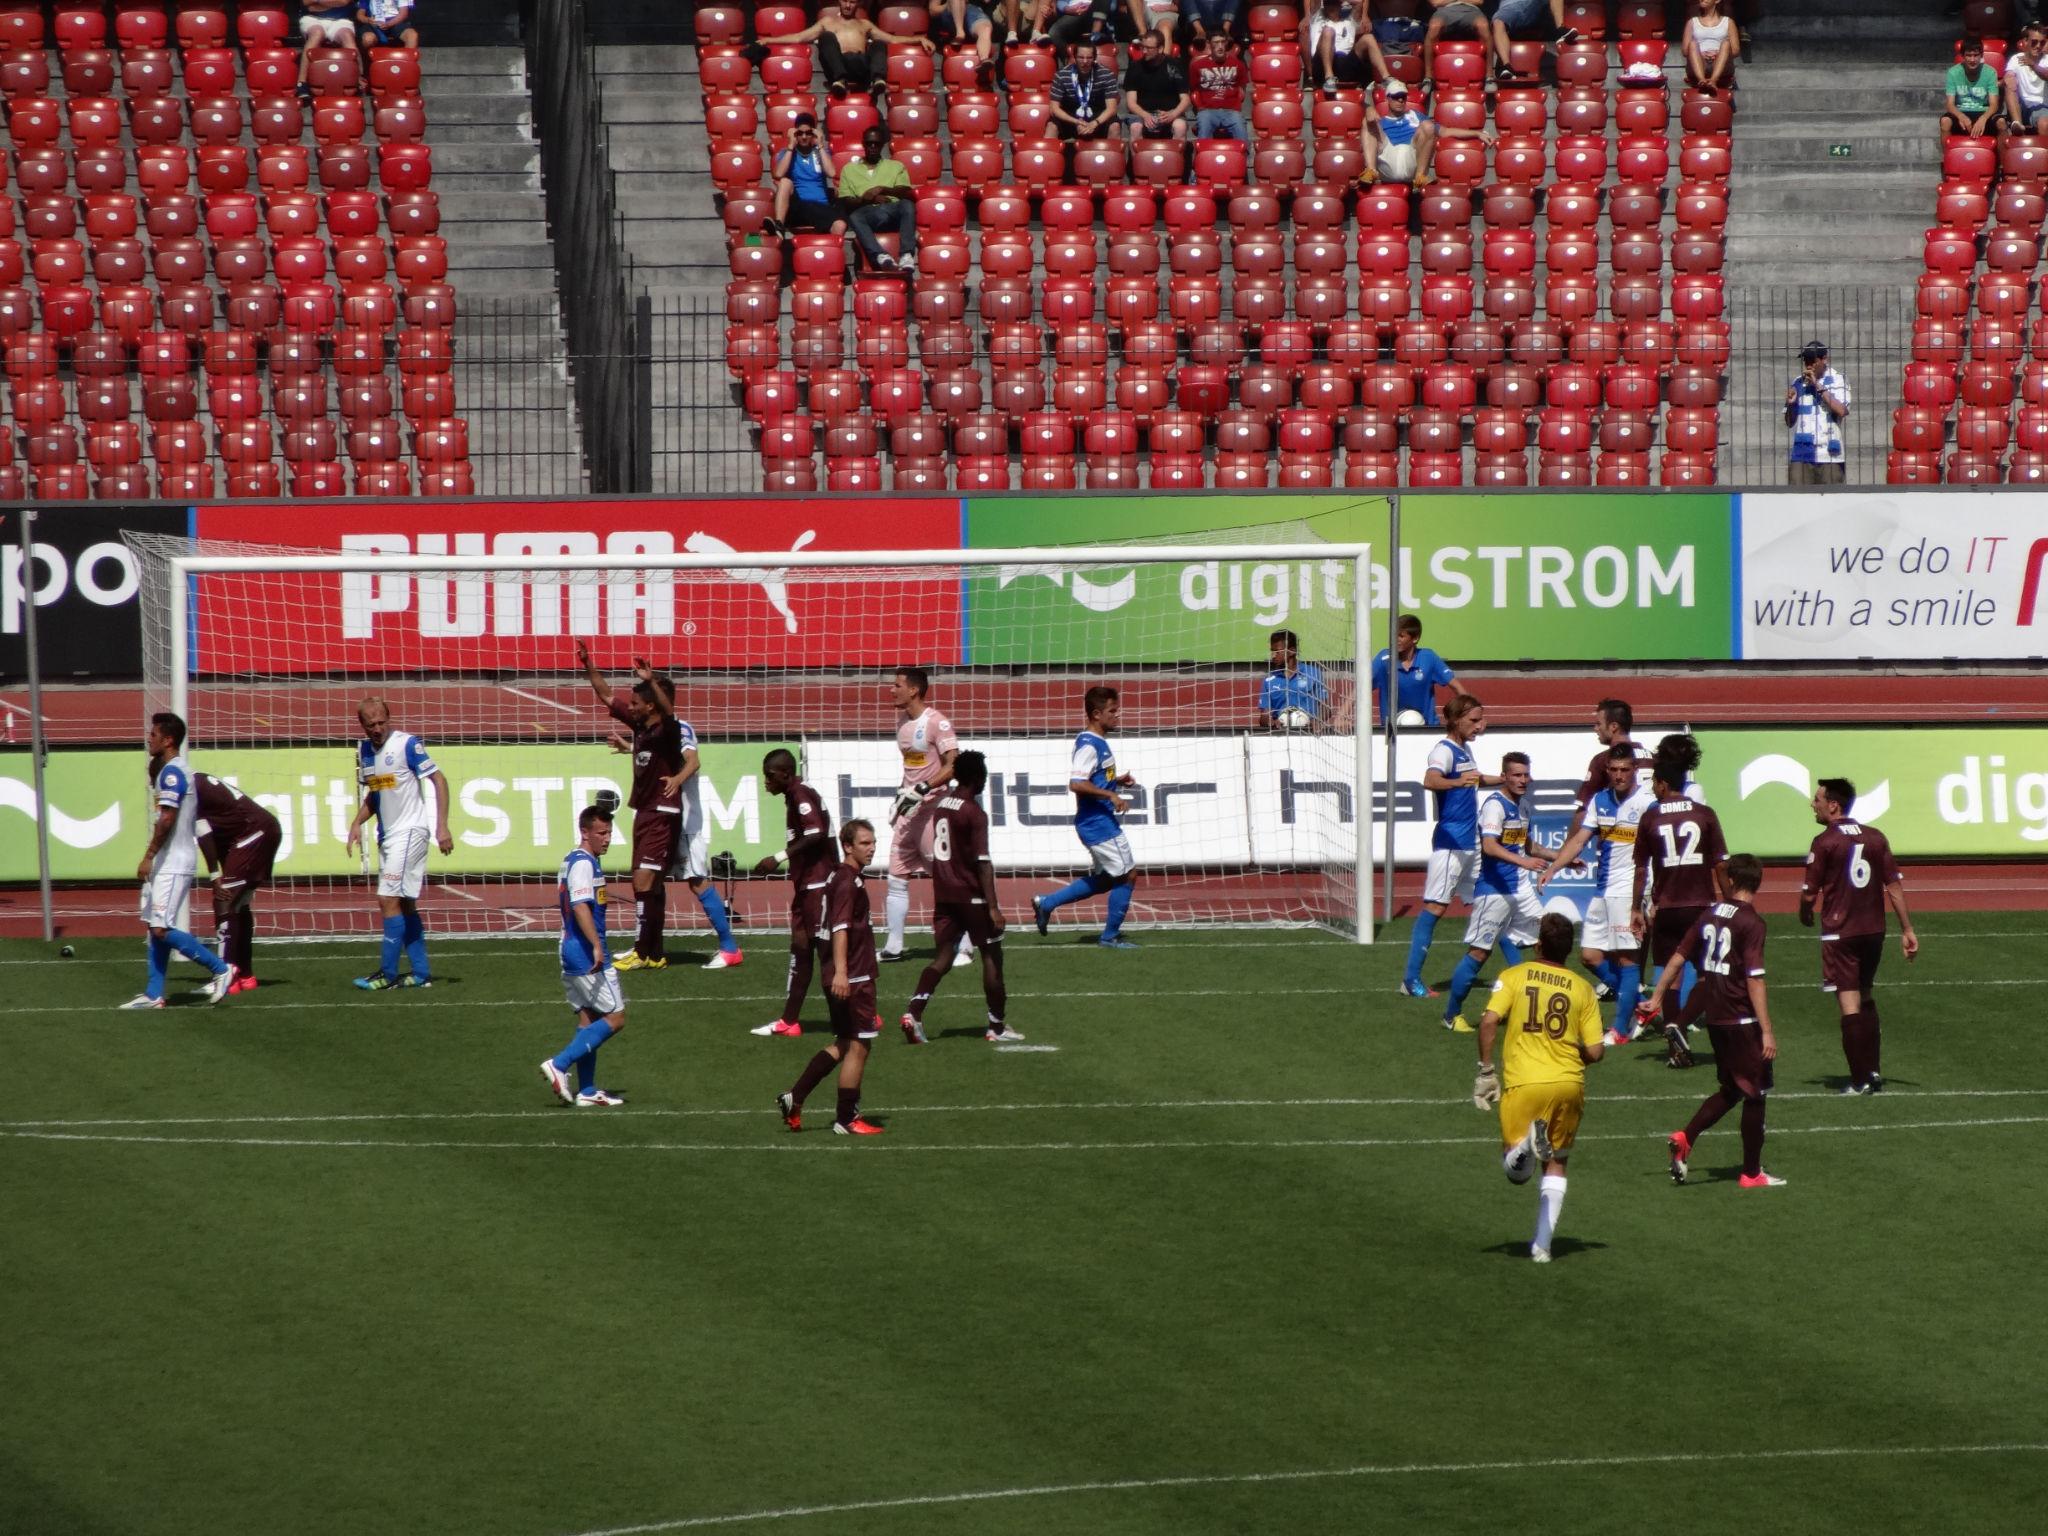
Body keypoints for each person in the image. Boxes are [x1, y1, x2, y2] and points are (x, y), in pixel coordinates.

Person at [1645, 855, 1786, 1189]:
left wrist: (1656, 998)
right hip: (1742, 1018)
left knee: (1732, 1089)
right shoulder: (1752, 922)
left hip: (1716, 1017)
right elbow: (1754, 979)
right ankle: (1751, 1173)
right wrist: (1767, 1030)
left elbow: (1677, 958)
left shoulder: (1709, 914)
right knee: (1756, 1094)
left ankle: (1686, 1137)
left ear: (1731, 881)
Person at [1471, 912, 1604, 1263]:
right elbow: (1595, 1052)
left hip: (1525, 1082)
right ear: (1569, 950)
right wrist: (1570, 1052)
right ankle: (1542, 1246)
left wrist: (1486, 1070)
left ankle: (1525, 1145)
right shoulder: (1583, 989)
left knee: (1516, 1173)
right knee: (1557, 1162)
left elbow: (1489, 1022)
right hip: (1568, 1083)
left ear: (1539, 945)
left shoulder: (1514, 976)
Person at [1800, 777, 1918, 1095]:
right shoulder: (1876, 837)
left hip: (1841, 933)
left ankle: (1860, 1079)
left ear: (1833, 805)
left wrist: (1804, 911)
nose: (1813, 804)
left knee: (1849, 1002)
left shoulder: (1824, 841)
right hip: (1874, 930)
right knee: (1866, 995)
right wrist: (1907, 928)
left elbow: (1809, 893)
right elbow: (1893, 885)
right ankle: (1873, 1071)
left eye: (1817, 799)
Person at [900, 751, 1021, 1044]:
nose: (986, 779)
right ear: (977, 777)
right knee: (992, 956)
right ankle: (996, 1027)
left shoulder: (943, 805)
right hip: (971, 896)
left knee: (942, 958)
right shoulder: (974, 812)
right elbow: (982, 862)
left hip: (944, 894)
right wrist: (993, 907)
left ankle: (914, 1012)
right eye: (984, 773)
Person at [777, 819, 887, 1135]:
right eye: (864, 843)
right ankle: (846, 1119)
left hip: (842, 974)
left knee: (844, 1042)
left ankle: (795, 1097)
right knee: (859, 1046)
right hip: (852, 976)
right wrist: (842, 972)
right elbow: (840, 929)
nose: (871, 848)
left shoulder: (838, 877)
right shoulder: (847, 882)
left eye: (873, 842)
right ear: (847, 846)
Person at [122, 712, 237, 1009]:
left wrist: (148, 856)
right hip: (168, 860)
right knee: (154, 925)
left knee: (161, 928)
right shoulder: (173, 770)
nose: (149, 738)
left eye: (154, 734)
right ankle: (154, 994)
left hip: (173, 862)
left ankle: (221, 969)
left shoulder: (173, 773)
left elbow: (167, 819)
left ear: (168, 740)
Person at [1540, 744, 1653, 1041]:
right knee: (1589, 956)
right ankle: (1642, 1005)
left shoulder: (1647, 802)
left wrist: (1651, 895)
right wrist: (1554, 868)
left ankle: (1619, 1030)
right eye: (1614, 770)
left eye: (1625, 769)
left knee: (1627, 960)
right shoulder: (1600, 800)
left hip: (1628, 891)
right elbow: (1579, 840)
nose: (1619, 775)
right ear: (1607, 771)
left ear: (1635, 770)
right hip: (1602, 890)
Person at [1630, 735, 1730, 1059]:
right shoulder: (1705, 813)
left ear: (1662, 784)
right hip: (1700, 905)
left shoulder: (1651, 817)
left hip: (1666, 908)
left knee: (1670, 977)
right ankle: (1682, 1024)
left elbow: (1641, 869)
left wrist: (1635, 908)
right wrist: (1731, 901)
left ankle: (1675, 1046)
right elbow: (1720, 864)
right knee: (1708, 974)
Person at [345, 695, 453, 991]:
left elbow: (439, 779)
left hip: (410, 831)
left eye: (382, 722)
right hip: (390, 836)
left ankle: (387, 973)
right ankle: (420, 973)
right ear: (362, 725)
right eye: (371, 724)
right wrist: (356, 823)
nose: (377, 728)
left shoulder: (407, 744)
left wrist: (442, 825)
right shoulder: (365, 751)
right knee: (404, 903)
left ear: (389, 719)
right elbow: (378, 792)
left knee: (387, 899)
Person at [1440, 752, 1548, 1032]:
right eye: (1516, 775)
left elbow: (1529, 847)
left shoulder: (1524, 807)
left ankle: (1530, 1004)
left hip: (1519, 889)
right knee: (1479, 954)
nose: (1522, 780)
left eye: (1526, 775)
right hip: (1494, 891)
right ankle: (1451, 1016)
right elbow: (1489, 846)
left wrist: (1563, 858)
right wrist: (1525, 863)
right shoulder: (1495, 806)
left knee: (1546, 941)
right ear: (1504, 777)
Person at [1399, 691, 1496, 999]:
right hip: (1451, 843)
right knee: (1436, 907)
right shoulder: (1444, 751)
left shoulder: (1465, 750)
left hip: (1471, 841)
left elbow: (1475, 779)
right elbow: (1430, 780)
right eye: (1474, 720)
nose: (1480, 726)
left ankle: (1515, 975)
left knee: (1493, 901)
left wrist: (1506, 780)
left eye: (1481, 720)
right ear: (1455, 720)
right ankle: (1411, 980)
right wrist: (1456, 782)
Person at [1032, 684, 1140, 948]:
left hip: (1096, 822)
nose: (1117, 715)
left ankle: (1047, 903)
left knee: (1107, 879)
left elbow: (1092, 777)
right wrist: (1110, 795)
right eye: (1112, 711)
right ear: (1096, 714)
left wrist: (1116, 781)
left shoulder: (1096, 742)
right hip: (1098, 823)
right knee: (1128, 875)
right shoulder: (1089, 745)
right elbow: (1077, 783)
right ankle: (1110, 937)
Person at [540, 804, 629, 1109]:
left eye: (609, 832)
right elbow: (580, 906)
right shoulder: (583, 865)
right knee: (615, 1018)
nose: (607, 838)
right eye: (601, 833)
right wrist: (596, 946)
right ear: (585, 832)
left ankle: (587, 1090)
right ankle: (559, 1064)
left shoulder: (574, 860)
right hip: (584, 952)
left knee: (588, 1018)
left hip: (570, 949)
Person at [751, 749, 837, 1039]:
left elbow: (816, 832)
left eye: (770, 776)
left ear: (786, 774)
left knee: (827, 954)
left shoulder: (800, 794)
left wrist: (778, 857)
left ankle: (856, 1018)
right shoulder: (795, 793)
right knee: (801, 950)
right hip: (807, 886)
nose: (766, 782)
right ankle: (789, 1021)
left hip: (819, 885)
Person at [881, 666, 965, 963]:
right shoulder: (902, 722)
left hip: (933, 812)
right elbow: (912, 768)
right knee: (896, 877)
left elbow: (954, 764)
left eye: (897, 685)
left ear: (914, 690)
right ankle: (893, 947)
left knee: (946, 879)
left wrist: (924, 788)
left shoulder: (936, 723)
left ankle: (965, 944)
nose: (891, 690)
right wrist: (901, 796)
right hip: (909, 813)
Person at [195, 769, 282, 994]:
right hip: (256, 831)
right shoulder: (195, 780)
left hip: (252, 834)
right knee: (239, 904)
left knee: (223, 900)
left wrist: (214, 875)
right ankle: (245, 975)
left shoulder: (183, 788)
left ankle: (224, 975)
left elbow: (204, 833)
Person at [759, 0, 930, 104]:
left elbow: (892, 39)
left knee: (878, 43)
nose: (848, 5)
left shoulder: (864, 24)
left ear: (857, 4)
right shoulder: (828, 21)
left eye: (852, 2)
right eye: (845, 1)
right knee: (826, 36)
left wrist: (919, 39)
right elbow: (799, 37)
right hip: (839, 65)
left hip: (860, 65)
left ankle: (878, 79)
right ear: (839, 2)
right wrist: (769, 40)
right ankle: (840, 80)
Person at [1361, 80, 1492, 186]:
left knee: (1428, 126)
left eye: (1403, 97)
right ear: (1387, 99)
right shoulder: (1381, 121)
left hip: (1411, 155)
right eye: (1396, 97)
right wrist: (1369, 109)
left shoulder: (1415, 115)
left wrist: (1477, 134)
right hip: (1387, 157)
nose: (1400, 100)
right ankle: (1371, 171)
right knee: (1367, 122)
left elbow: (1445, 131)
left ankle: (1420, 177)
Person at [839, 124, 919, 274]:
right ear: (863, 144)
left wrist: (883, 189)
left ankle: (906, 255)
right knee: (854, 216)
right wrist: (867, 199)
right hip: (867, 213)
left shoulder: (896, 166)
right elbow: (845, 201)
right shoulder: (849, 169)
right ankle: (880, 256)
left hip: (892, 209)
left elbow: (906, 191)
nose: (873, 147)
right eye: (869, 143)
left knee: (907, 205)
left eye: (876, 143)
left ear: (882, 145)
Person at [1368, 612, 1457, 727]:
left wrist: (1470, 712)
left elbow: (1456, 686)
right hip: (1392, 730)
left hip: (1428, 728)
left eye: (1401, 636)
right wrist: (1344, 715)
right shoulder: (1383, 659)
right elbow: (1362, 688)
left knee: (1413, 721)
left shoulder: (1428, 658)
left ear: (1415, 638)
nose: (1395, 639)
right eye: (1393, 635)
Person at [765, 116, 846, 241]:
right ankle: (779, 225)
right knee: (785, 182)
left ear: (814, 133)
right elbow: (778, 174)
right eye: (800, 133)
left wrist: (820, 145)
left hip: (820, 207)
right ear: (795, 134)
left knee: (840, 225)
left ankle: (829, 251)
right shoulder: (787, 152)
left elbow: (831, 172)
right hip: (798, 207)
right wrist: (791, 146)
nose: (804, 137)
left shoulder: (820, 152)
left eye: (808, 133)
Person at [1784, 339, 1850, 485]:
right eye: (1805, 361)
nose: (1808, 365)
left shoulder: (1838, 379)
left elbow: (1842, 410)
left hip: (1830, 455)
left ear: (1824, 359)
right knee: (1797, 496)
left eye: (1812, 361)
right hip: (1801, 455)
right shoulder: (1797, 382)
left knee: (1832, 496)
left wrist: (1817, 385)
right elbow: (1789, 422)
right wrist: (1790, 404)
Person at [1304, 0, 1391, 95]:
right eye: (1327, 4)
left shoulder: (1349, 21)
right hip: (1321, 65)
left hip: (1345, 65)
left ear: (1340, 6)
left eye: (1334, 4)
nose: (1331, 7)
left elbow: (1359, 2)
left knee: (1368, 38)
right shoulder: (1318, 18)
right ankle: (1329, 78)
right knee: (1329, 31)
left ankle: (1387, 79)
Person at [1050, 37, 1123, 149]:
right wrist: (1076, 122)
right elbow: (1054, 109)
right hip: (1071, 117)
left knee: (1115, 125)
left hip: (1097, 116)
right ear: (1074, 57)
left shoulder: (1106, 74)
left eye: (1089, 58)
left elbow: (1112, 109)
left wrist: (1095, 123)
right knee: (1051, 125)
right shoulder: (1061, 75)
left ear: (1094, 58)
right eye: (1081, 57)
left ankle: (1112, 157)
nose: (1085, 62)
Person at [1123, 29, 1192, 140]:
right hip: (1141, 113)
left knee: (1180, 127)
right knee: (1135, 127)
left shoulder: (1175, 66)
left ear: (1160, 49)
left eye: (1148, 48)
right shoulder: (1135, 67)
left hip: (1170, 112)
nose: (1144, 51)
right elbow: (1131, 103)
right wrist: (1145, 115)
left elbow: (1185, 99)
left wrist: (1173, 114)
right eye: (1142, 47)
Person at [1257, 628, 1332, 730]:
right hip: (1280, 732)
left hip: (1309, 732)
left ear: (1292, 651)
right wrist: (1270, 721)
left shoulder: (1313, 673)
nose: (1273, 656)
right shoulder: (1269, 680)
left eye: (1277, 652)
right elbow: (1264, 717)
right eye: (1272, 651)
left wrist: (1318, 720)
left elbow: (1326, 708)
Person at [1490, 0, 1578, 84]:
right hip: (1510, 8)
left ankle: (1560, 30)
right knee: (1498, 22)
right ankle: (1505, 66)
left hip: (1534, 6)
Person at [1422, 0, 1500, 87]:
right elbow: (1436, 3)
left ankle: (1489, 76)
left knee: (1483, 26)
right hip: (1445, 11)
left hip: (1471, 10)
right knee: (1434, 27)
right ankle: (1428, 77)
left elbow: (1479, 1)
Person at [1191, 30, 1247, 140]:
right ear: (1209, 44)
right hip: (1207, 110)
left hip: (1231, 110)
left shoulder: (1238, 64)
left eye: (1222, 42)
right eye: (1216, 42)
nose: (1220, 46)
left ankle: (1244, 151)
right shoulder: (1197, 65)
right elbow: (1193, 88)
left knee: (1241, 130)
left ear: (1226, 43)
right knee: (1204, 126)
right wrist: (1201, 107)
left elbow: (1242, 88)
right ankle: (1203, 151)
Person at [1945, 34, 2004, 137]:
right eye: (1968, 55)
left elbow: (1994, 104)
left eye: (1976, 55)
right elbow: (1950, 104)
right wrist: (1961, 116)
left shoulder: (1990, 72)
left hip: (1983, 112)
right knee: (1945, 121)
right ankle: (1946, 148)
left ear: (1981, 55)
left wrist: (1983, 119)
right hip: (1961, 111)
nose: (1972, 60)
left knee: (2001, 123)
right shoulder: (1953, 73)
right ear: (1962, 56)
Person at [929, 0, 996, 86]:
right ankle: (959, 32)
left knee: (985, 28)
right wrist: (948, 5)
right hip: (950, 13)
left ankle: (984, 59)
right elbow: (933, 10)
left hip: (972, 11)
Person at [1681, 0, 1738, 92]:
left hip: (1721, 64)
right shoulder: (1692, 22)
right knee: (1692, 44)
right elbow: (1684, 51)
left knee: (1726, 44)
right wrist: (1700, 54)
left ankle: (1713, 80)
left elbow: (1736, 50)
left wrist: (1718, 54)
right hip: (1699, 62)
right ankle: (1702, 80)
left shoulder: (1728, 22)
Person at [2006, 25, 2047, 135]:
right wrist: (2009, 77)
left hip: (2041, 106)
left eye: (2042, 43)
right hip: (2020, 105)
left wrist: (2033, 65)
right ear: (2025, 41)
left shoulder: (2046, 59)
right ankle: (2017, 124)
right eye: (2034, 42)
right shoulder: (2016, 58)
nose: (2038, 46)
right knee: (2010, 84)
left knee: (2044, 124)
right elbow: (2009, 75)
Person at [300, 0, 356, 81]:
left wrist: (317, 2)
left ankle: (357, 79)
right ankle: (302, 81)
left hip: (341, 20)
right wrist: (333, 3)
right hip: (312, 18)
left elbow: (343, 2)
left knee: (347, 36)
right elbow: (306, 2)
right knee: (317, 33)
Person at [353, 0, 418, 63]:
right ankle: (369, 67)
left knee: (412, 35)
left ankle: (407, 66)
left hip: (395, 21)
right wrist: (367, 19)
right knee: (368, 39)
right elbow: (360, 15)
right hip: (374, 23)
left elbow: (403, 14)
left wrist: (389, 24)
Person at [1035, 0, 1111, 49]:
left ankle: (1095, 35)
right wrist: (1067, 9)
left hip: (1096, 13)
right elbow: (1061, 2)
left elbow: (1113, 6)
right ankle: (1068, 61)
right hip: (1073, 13)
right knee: (1054, 33)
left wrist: (1089, 5)